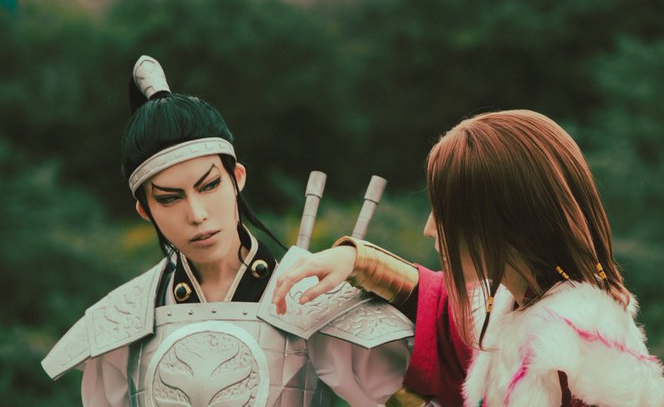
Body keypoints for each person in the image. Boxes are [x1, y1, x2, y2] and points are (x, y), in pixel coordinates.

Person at [41, 55, 412, 406]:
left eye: (209, 185)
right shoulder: (121, 322)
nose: (197, 214)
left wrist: (365, 262)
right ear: (144, 210)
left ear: (237, 177)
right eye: (170, 199)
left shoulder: (314, 299)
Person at [273, 109, 664, 406]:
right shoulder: (515, 302)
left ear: (493, 222)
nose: (429, 228)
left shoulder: (579, 349)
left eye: (443, 212)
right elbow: (443, 307)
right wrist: (358, 260)